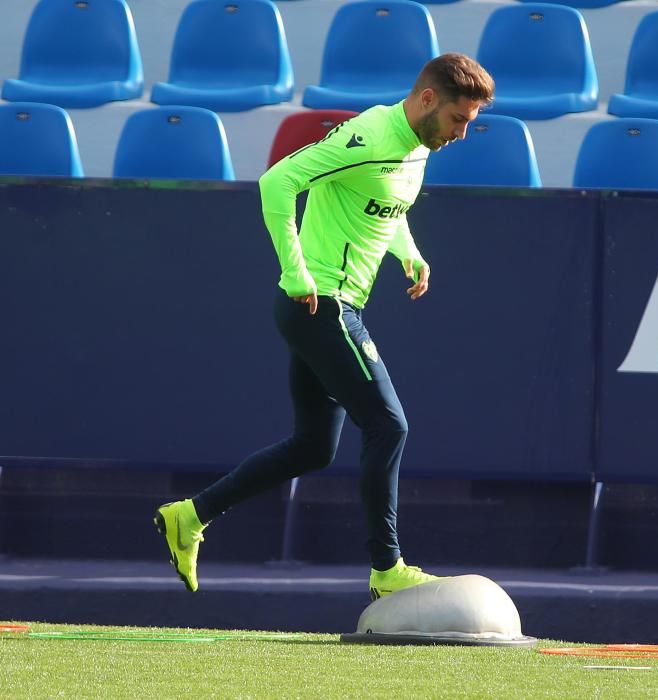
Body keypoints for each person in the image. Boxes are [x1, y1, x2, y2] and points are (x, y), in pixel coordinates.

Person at [154, 53, 495, 599]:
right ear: (428, 98)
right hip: (322, 304)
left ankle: (190, 516)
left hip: (331, 308)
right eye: (459, 120)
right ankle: (387, 569)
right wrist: (295, 270)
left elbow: (386, 205)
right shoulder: (370, 136)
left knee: (313, 448)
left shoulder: (417, 145)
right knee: (390, 426)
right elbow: (276, 182)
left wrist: (409, 253)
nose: (461, 134)